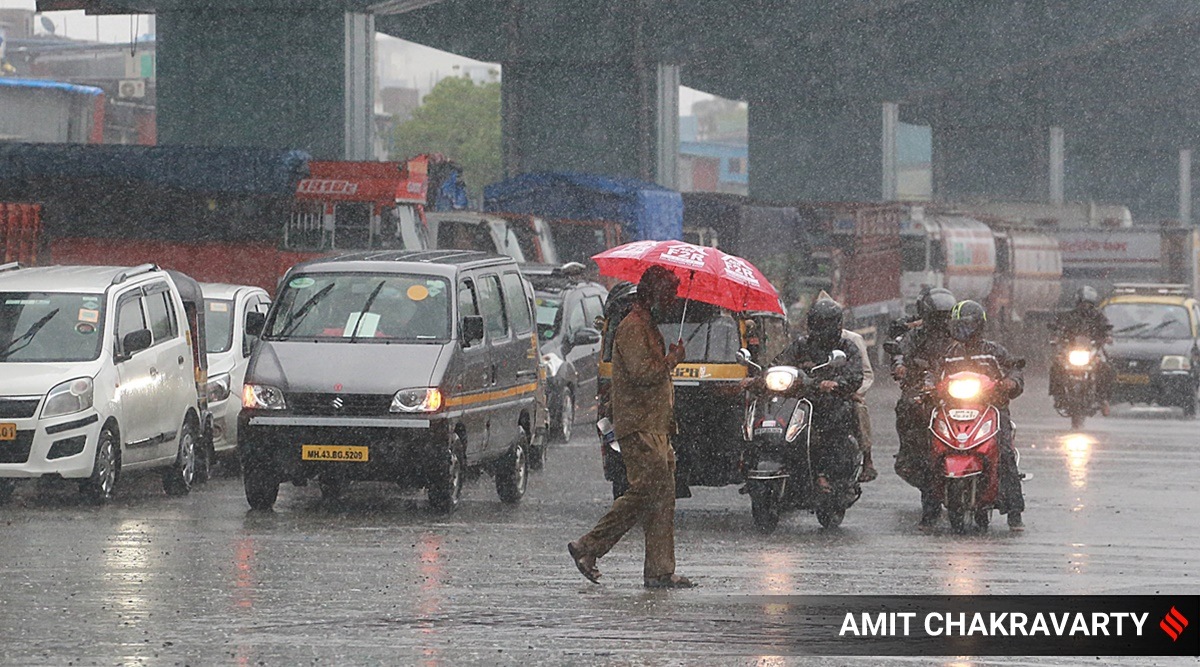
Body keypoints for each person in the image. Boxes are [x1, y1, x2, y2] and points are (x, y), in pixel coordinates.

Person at [569, 265, 695, 589]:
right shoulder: (632, 328)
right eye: (667, 295)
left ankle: (660, 570)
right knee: (645, 491)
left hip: (657, 425)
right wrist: (671, 361)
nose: (672, 302)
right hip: (638, 426)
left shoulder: (649, 326)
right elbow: (642, 374)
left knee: (663, 496)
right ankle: (588, 546)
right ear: (652, 294)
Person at [932, 300, 1026, 531]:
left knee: (1004, 453)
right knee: (932, 452)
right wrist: (926, 388)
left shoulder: (994, 352)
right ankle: (930, 509)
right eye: (957, 326)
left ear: (978, 326)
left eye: (966, 325)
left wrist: (1010, 382)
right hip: (953, 412)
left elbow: (1014, 370)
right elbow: (933, 376)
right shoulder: (948, 355)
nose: (961, 331)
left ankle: (1014, 511)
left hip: (989, 410)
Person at [767, 297, 865, 489]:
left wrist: (836, 384)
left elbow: (855, 376)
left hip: (829, 402)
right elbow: (778, 364)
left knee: (829, 426)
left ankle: (825, 473)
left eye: (825, 323)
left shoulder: (846, 347)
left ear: (836, 324)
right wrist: (761, 377)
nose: (821, 327)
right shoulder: (801, 345)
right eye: (817, 322)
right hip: (800, 399)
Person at [890, 287, 957, 528]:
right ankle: (909, 451)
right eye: (937, 317)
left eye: (945, 317)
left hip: (956, 394)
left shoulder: (961, 336)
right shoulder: (915, 336)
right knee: (909, 410)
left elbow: (979, 357)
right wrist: (901, 367)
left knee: (996, 418)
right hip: (924, 392)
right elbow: (900, 352)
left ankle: (1008, 493)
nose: (941, 323)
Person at [1050, 286, 1113, 414]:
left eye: (1089, 304)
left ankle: (1103, 399)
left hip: (1091, 351)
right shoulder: (1069, 316)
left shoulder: (1098, 317)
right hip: (1071, 351)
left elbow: (1106, 328)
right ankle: (1058, 396)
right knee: (1056, 367)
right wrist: (1056, 337)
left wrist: (1106, 337)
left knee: (1105, 368)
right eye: (1083, 303)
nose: (1085, 307)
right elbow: (1058, 327)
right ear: (1078, 303)